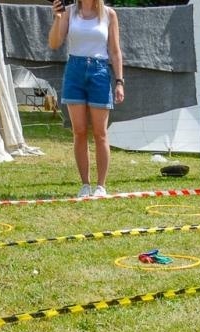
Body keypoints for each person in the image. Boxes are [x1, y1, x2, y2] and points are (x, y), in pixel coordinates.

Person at [48, 0, 124, 198]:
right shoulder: (69, 12)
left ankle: (101, 186)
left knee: (100, 133)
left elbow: (115, 51)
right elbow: (54, 43)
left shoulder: (109, 14)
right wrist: (57, 18)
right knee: (79, 131)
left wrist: (119, 81)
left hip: (99, 71)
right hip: (75, 70)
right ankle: (85, 185)